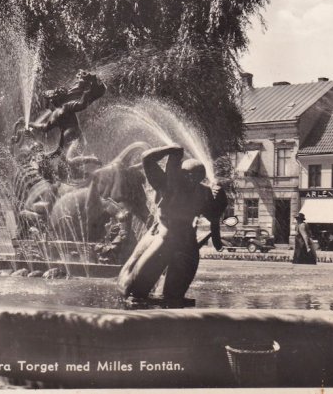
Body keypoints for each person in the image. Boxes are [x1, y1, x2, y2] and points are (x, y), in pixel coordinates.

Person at [117, 144, 227, 300]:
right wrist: (169, 150)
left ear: (200, 178)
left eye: (196, 178)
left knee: (174, 296)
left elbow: (214, 218)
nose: (191, 181)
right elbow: (146, 158)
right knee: (133, 290)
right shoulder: (167, 183)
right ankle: (127, 283)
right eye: (188, 176)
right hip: (164, 237)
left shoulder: (204, 192)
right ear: (182, 174)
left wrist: (221, 202)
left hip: (186, 243)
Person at [28, 71, 106, 155]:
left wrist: (86, 92)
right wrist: (31, 124)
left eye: (45, 100)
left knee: (64, 154)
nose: (44, 104)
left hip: (75, 138)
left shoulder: (65, 107)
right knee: (59, 154)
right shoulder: (56, 113)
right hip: (71, 137)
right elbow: (45, 127)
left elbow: (82, 105)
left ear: (51, 101)